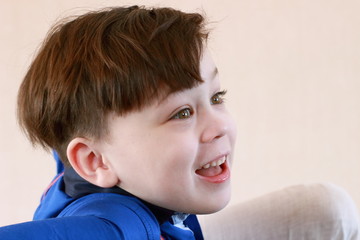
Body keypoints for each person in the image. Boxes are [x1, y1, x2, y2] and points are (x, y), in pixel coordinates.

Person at [0, 5, 359, 240]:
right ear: (95, 162)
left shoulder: (92, 155)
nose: (219, 126)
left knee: (327, 207)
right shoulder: (116, 227)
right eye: (182, 113)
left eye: (216, 97)